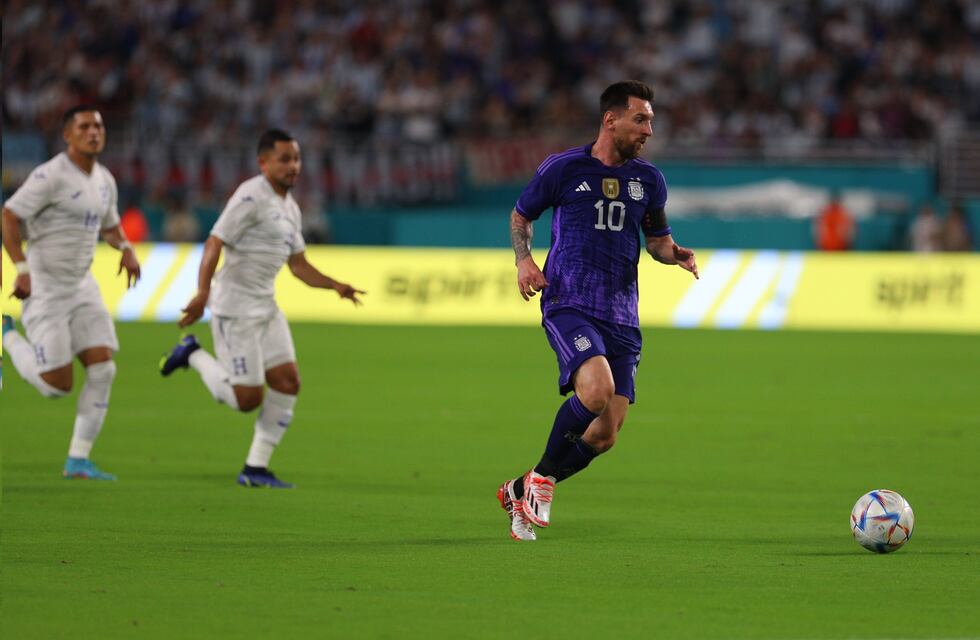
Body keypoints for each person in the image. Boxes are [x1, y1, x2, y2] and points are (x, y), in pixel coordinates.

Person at [497, 81, 699, 541]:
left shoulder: (648, 180)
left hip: (623, 314)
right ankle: (542, 484)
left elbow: (657, 243)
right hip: (570, 300)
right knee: (596, 389)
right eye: (641, 119)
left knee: (605, 435)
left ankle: (519, 488)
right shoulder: (564, 168)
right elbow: (521, 215)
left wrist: (676, 254)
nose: (649, 129)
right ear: (611, 120)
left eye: (650, 120)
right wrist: (524, 260)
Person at [159, 129, 365, 488]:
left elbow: (298, 265)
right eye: (284, 159)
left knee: (288, 382)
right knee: (246, 399)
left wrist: (335, 286)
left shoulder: (290, 208)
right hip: (235, 309)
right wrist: (203, 292)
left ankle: (255, 469)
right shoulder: (251, 196)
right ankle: (191, 353)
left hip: (266, 307)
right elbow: (214, 241)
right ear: (263, 162)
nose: (293, 166)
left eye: (297, 158)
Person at [1, 105, 141, 480]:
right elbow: (9, 215)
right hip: (45, 286)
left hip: (82, 286)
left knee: (103, 367)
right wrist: (22, 268)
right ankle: (8, 338)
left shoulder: (105, 180)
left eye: (98, 125)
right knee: (55, 387)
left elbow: (109, 227)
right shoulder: (49, 175)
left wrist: (125, 247)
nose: (94, 132)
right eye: (84, 126)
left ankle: (78, 459)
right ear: (68, 135)